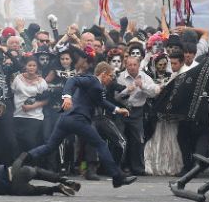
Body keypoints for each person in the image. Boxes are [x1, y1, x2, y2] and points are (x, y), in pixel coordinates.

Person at [25, 53, 137, 188]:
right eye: (111, 76)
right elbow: (72, 81)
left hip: (65, 119)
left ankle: (24, 158)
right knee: (101, 144)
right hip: (78, 119)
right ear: (104, 74)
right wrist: (67, 97)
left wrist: (118, 110)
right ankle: (117, 177)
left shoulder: (98, 87)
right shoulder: (92, 80)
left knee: (50, 146)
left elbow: (101, 102)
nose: (111, 79)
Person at [114, 56, 161, 175]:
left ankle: (138, 168)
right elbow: (115, 96)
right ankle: (119, 166)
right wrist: (127, 91)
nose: (132, 67)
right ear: (126, 65)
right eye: (129, 65)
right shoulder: (120, 77)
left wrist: (142, 86)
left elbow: (156, 91)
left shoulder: (144, 77)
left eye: (134, 65)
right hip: (122, 110)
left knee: (138, 139)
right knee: (120, 139)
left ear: (138, 65)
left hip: (137, 111)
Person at [0, 153, 80, 197]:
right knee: (37, 172)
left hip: (13, 189)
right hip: (13, 172)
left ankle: (56, 189)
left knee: (37, 190)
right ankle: (63, 180)